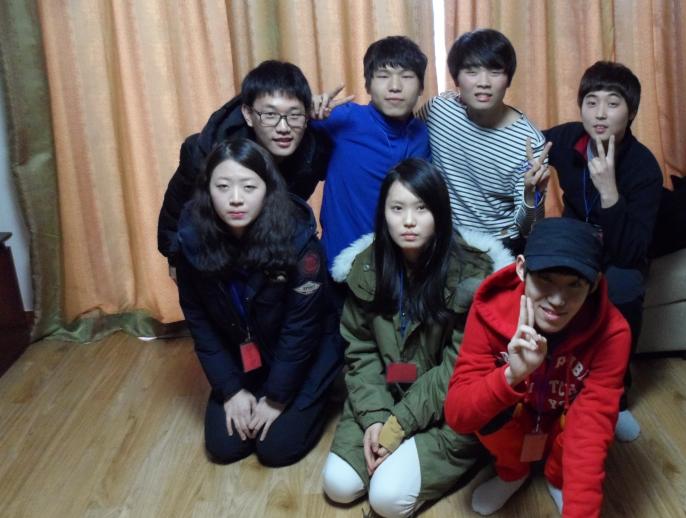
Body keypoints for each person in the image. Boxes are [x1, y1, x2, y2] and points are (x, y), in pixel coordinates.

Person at [321, 158, 512, 518]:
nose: (408, 221)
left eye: (421, 208)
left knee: (386, 499)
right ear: (384, 214)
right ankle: (391, 448)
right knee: (339, 485)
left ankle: (471, 456)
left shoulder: (473, 275)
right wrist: (376, 418)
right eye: (397, 208)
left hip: (449, 410)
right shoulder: (366, 267)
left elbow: (458, 369)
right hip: (387, 393)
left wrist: (399, 426)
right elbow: (361, 354)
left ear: (440, 212)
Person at [445, 218, 631, 517]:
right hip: (519, 418)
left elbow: (591, 431)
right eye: (545, 279)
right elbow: (458, 415)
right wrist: (511, 375)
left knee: (590, 425)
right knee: (487, 409)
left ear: (594, 283)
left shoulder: (613, 333)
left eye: (574, 285)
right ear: (521, 269)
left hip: (563, 419)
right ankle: (513, 473)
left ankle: (557, 477)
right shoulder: (489, 311)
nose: (557, 300)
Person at [174, 138, 341, 467]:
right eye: (223, 186)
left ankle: (319, 394)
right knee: (225, 447)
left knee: (275, 448)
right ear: (208, 190)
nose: (236, 198)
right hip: (245, 355)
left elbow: (301, 330)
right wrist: (231, 390)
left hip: (306, 354)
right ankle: (254, 389)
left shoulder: (298, 241)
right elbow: (201, 327)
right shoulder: (192, 241)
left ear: (267, 189)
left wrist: (276, 397)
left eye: (249, 187)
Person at [542, 61, 662, 442]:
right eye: (591, 102)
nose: (600, 113)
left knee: (624, 285)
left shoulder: (643, 167)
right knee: (542, 274)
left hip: (619, 251)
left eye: (613, 104)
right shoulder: (567, 139)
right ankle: (552, 386)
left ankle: (617, 398)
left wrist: (610, 192)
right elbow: (520, 141)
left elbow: (631, 251)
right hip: (576, 242)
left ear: (631, 112)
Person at [159, 60, 330, 274]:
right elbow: (175, 210)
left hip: (272, 251)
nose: (283, 127)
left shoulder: (313, 149)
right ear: (248, 115)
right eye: (270, 115)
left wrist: (328, 120)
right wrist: (175, 258)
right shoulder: (206, 151)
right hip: (215, 254)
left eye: (293, 114)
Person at [416, 28, 551, 255]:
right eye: (471, 71)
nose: (483, 82)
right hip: (444, 239)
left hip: (498, 245)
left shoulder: (529, 144)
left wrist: (531, 195)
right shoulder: (438, 111)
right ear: (456, 78)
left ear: (508, 79)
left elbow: (528, 230)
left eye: (495, 71)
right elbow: (403, 138)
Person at [310, 35, 430, 269]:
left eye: (406, 77)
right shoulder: (344, 118)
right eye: (383, 76)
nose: (395, 87)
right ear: (367, 85)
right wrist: (307, 109)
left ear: (421, 88)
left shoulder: (422, 134)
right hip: (340, 266)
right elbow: (282, 127)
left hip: (398, 268)